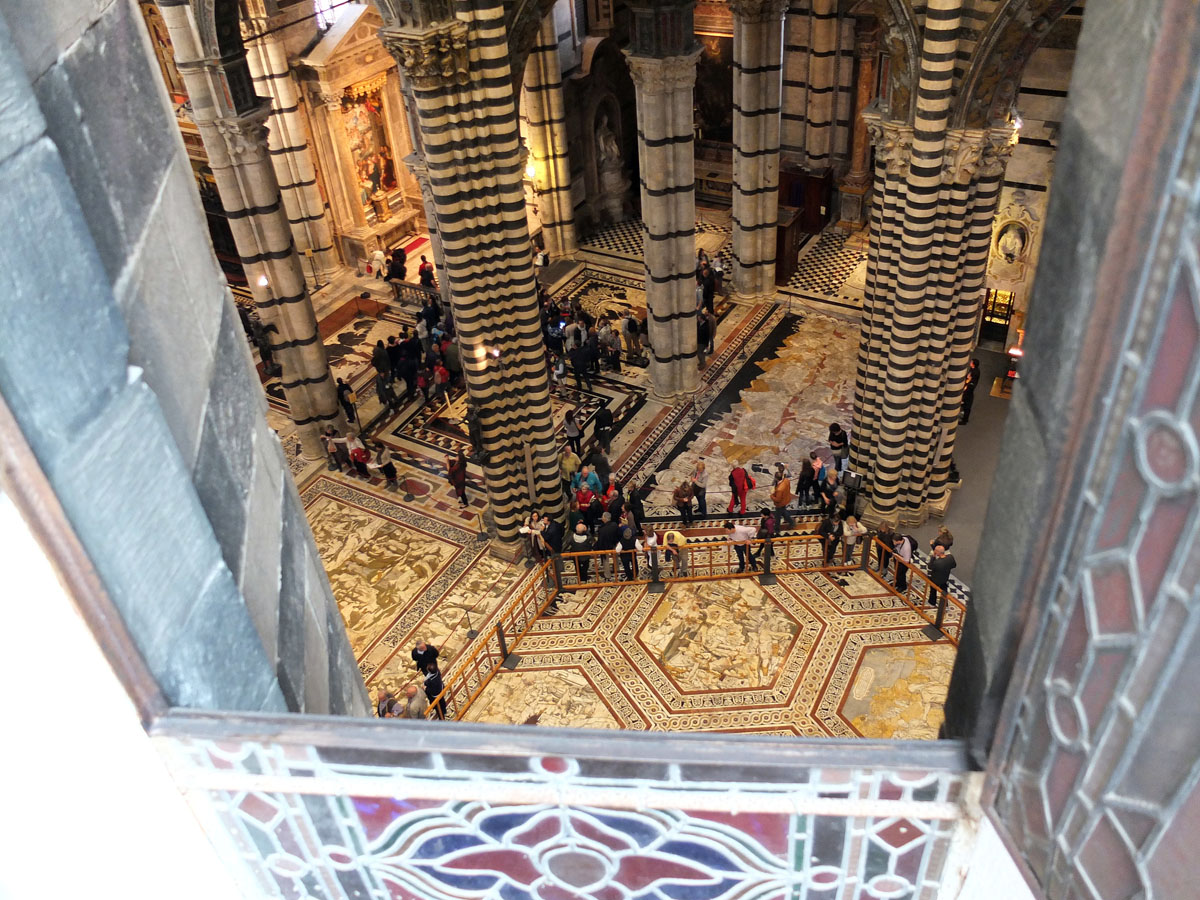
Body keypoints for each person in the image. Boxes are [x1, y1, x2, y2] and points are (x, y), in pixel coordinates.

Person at [595, 512, 620, 581]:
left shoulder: (602, 529)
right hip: (614, 543)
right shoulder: (615, 525)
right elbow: (618, 534)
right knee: (615, 556)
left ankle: (607, 574)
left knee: (606, 560)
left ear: (605, 518)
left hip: (605, 546)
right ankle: (616, 568)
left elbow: (600, 540)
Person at [961, 358, 981, 424]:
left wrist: (967, 384)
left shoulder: (975, 372)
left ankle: (965, 420)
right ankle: (964, 414)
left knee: (967, 404)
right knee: (965, 403)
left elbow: (971, 380)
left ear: (973, 364)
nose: (970, 363)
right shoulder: (972, 369)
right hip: (968, 388)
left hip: (969, 389)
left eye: (971, 362)